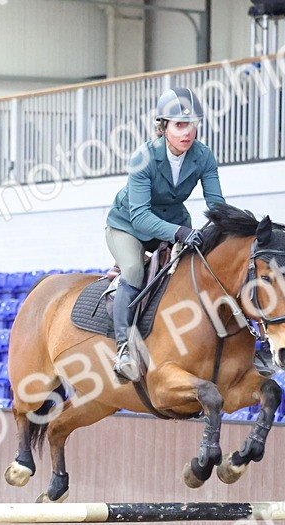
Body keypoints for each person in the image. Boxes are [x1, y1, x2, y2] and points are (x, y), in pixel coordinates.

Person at [104, 86, 226, 382]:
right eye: (180, 125)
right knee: (134, 269)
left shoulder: (203, 156)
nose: (187, 132)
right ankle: (123, 349)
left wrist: (236, 228)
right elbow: (142, 217)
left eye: (192, 125)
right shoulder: (143, 158)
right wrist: (182, 232)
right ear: (163, 127)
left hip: (172, 223)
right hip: (128, 225)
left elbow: (217, 205)